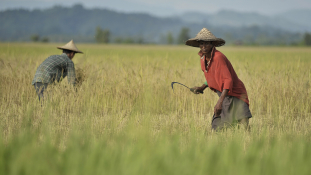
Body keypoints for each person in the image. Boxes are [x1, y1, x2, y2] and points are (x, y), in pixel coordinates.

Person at [185, 28, 252, 131]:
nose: (204, 46)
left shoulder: (218, 57)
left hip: (234, 92)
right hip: (223, 94)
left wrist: (219, 102)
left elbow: (228, 80)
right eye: (201, 43)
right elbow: (212, 76)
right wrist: (202, 87)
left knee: (243, 123)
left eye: (207, 43)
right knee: (217, 128)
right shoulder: (203, 58)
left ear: (212, 44)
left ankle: (249, 142)